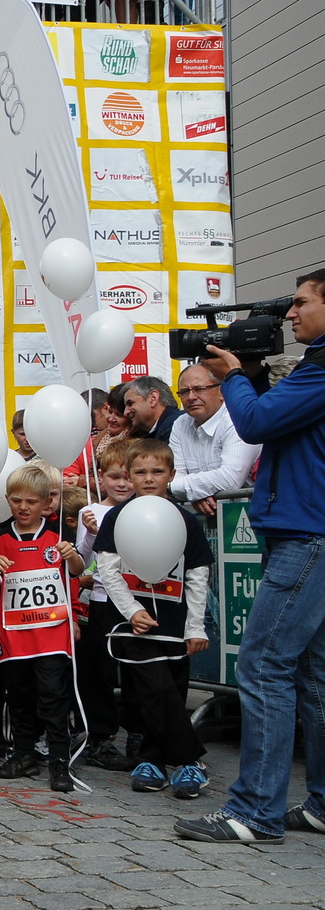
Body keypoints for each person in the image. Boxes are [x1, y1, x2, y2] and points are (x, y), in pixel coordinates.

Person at [177, 269, 325, 843]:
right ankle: (319, 804)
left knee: (262, 665)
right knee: (312, 676)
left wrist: (236, 375)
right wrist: (250, 375)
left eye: (302, 303)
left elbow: (258, 422)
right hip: (305, 530)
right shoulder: (313, 369)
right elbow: (278, 415)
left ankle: (255, 812)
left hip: (307, 535)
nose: (291, 315)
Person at [94, 441, 214, 799]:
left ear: (172, 476)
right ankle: (191, 761)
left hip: (175, 623)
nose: (148, 479)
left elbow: (197, 574)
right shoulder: (118, 517)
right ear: (129, 476)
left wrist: (195, 626)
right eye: (140, 472)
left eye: (157, 472)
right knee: (152, 686)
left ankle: (153, 760)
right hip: (132, 623)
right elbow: (108, 570)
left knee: (170, 692)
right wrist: (132, 610)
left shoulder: (185, 519)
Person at [0, 464, 87, 793]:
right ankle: (24, 752)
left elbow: (75, 574)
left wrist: (72, 557)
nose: (23, 507)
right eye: (16, 501)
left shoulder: (56, 538)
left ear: (46, 502)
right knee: (18, 697)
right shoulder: (2, 541)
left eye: (31, 501)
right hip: (14, 634)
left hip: (51, 633)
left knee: (53, 697)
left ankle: (59, 761)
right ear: (8, 501)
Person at [74, 440, 141, 772]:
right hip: (103, 601)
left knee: (136, 672)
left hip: (139, 602)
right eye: (115, 476)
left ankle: (140, 735)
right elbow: (81, 561)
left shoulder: (145, 509)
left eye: (129, 477)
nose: (123, 484)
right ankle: (99, 738)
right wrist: (88, 534)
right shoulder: (93, 511)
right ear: (101, 478)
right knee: (99, 673)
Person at [168, 362, 258, 513]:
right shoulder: (180, 424)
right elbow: (176, 474)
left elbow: (230, 478)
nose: (191, 397)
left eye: (199, 389)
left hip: (246, 517)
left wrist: (180, 489)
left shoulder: (235, 419)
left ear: (221, 391)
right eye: (184, 392)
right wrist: (195, 493)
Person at [123, 376, 182, 442]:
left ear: (153, 399)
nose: (125, 412)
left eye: (130, 403)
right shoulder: (165, 428)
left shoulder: (173, 428)